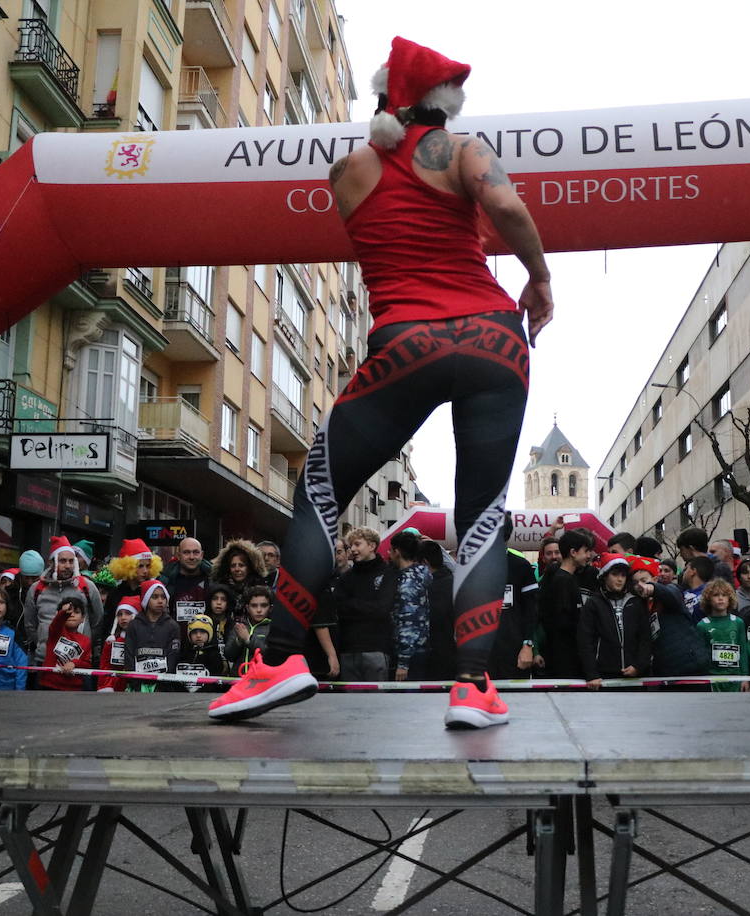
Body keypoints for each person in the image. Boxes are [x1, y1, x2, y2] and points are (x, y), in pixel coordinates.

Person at [212, 37, 552, 728]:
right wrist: (539, 279)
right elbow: (509, 210)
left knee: (320, 494)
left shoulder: (348, 170)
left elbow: (385, 223)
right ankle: (472, 688)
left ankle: (278, 661)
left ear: (381, 101)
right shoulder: (462, 152)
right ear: (445, 106)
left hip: (406, 343)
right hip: (493, 336)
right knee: (481, 514)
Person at [22, 536, 103, 669]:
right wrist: (45, 644)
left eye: (71, 561)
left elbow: (98, 622)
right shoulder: (36, 588)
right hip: (45, 660)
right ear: (52, 563)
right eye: (63, 561)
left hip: (78, 662)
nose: (68, 566)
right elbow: (30, 625)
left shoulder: (87, 586)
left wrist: (84, 643)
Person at [330, 527, 397, 682]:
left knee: (376, 702)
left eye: (357, 544)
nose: (353, 549)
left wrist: (352, 605)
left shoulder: (387, 573)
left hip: (377, 649)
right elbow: (338, 607)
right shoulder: (346, 577)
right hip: (348, 650)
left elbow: (382, 609)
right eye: (351, 545)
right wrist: (367, 606)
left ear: (372, 546)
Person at [578, 555, 652, 689]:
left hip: (635, 676)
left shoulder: (636, 602)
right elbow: (585, 640)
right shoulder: (593, 603)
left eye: (623, 575)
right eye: (615, 574)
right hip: (603, 675)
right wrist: (592, 673)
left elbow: (645, 637)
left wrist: (639, 665)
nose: (619, 579)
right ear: (605, 576)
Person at [537, 528, 593, 678]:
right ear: (573, 552)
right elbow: (561, 621)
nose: (589, 555)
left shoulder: (568, 578)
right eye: (586, 551)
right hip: (563, 657)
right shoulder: (563, 581)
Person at [489, 516, 539, 679]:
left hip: (514, 653)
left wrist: (528, 645)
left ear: (506, 534)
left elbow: (531, 611)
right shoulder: (473, 567)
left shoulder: (521, 566)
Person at [696, 579, 750, 692]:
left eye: (724, 595)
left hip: (735, 677)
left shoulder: (738, 622)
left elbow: (743, 651)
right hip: (713, 678)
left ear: (729, 598)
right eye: (716, 595)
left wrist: (745, 677)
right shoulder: (702, 625)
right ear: (708, 599)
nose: (720, 598)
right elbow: (701, 657)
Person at [103, 538, 163, 645]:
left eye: (148, 566)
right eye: (140, 566)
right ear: (127, 567)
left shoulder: (152, 592)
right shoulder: (115, 593)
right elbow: (107, 623)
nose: (145, 571)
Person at [124, 579, 180, 691]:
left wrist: (163, 684)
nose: (160, 601)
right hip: (137, 686)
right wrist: (135, 683)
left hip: (163, 687)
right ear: (145, 599)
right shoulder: (134, 625)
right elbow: (129, 655)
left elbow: (173, 657)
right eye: (155, 597)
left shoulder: (173, 626)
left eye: (163, 597)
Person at [390, 530, 432, 681]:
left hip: (407, 653)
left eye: (391, 550)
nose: (389, 554)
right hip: (421, 647)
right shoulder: (422, 573)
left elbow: (409, 622)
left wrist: (403, 663)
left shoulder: (407, 583)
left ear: (397, 552)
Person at [420, 539, 457, 678]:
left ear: (425, 562)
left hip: (436, 655)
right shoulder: (453, 582)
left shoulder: (429, 587)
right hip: (451, 655)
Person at [38, 598, 90, 692]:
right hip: (50, 683)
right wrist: (64, 612)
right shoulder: (56, 631)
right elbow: (56, 623)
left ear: (82, 619)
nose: (72, 614)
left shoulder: (86, 640)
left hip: (73, 687)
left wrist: (74, 663)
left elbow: (87, 664)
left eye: (77, 612)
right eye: (69, 612)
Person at [223, 586, 276, 676]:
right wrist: (239, 641)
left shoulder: (274, 628)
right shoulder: (239, 627)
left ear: (270, 608)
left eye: (263, 605)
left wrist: (248, 639)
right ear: (247, 608)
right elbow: (229, 656)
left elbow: (271, 656)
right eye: (254, 605)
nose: (259, 610)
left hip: (263, 681)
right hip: (238, 681)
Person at [212, 539, 268, 612]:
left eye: (241, 565)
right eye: (233, 565)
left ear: (249, 568)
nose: (237, 569)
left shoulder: (261, 589)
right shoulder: (219, 588)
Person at [178, 614, 229, 693]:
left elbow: (215, 680)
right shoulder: (184, 653)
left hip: (206, 696)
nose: (198, 636)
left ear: (210, 634)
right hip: (184, 695)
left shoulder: (214, 654)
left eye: (202, 632)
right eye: (194, 632)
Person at [97, 597, 138, 693]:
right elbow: (105, 666)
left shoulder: (143, 640)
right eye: (120, 614)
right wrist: (106, 686)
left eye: (128, 613)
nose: (123, 617)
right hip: (116, 688)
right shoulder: (112, 642)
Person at [681, 556, 714, 622]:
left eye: (686, 569)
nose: (683, 573)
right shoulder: (682, 594)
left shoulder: (711, 594)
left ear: (693, 571)